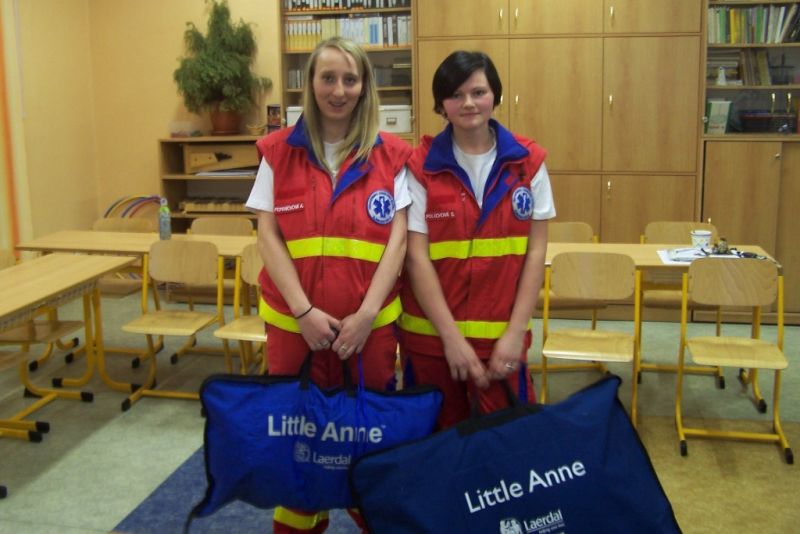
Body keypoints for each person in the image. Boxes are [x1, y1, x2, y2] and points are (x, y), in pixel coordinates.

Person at [245, 37, 411, 533]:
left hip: (369, 331)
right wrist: (302, 312)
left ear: (365, 86)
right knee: (299, 438)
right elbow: (267, 235)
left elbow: (399, 242)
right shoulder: (278, 152)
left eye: (350, 79)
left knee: (367, 436)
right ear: (310, 84)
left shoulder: (393, 156)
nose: (339, 90)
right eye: (328, 78)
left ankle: (370, 511)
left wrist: (365, 316)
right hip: (294, 328)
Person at [399, 50, 555, 429]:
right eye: (455, 95)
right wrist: (451, 339)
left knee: (505, 447)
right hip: (432, 342)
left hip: (501, 341)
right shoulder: (420, 167)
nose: (468, 103)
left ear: (495, 96)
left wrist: (515, 334)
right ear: (441, 105)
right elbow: (416, 259)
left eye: (478, 92)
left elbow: (535, 254)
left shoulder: (528, 163)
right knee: (436, 448)